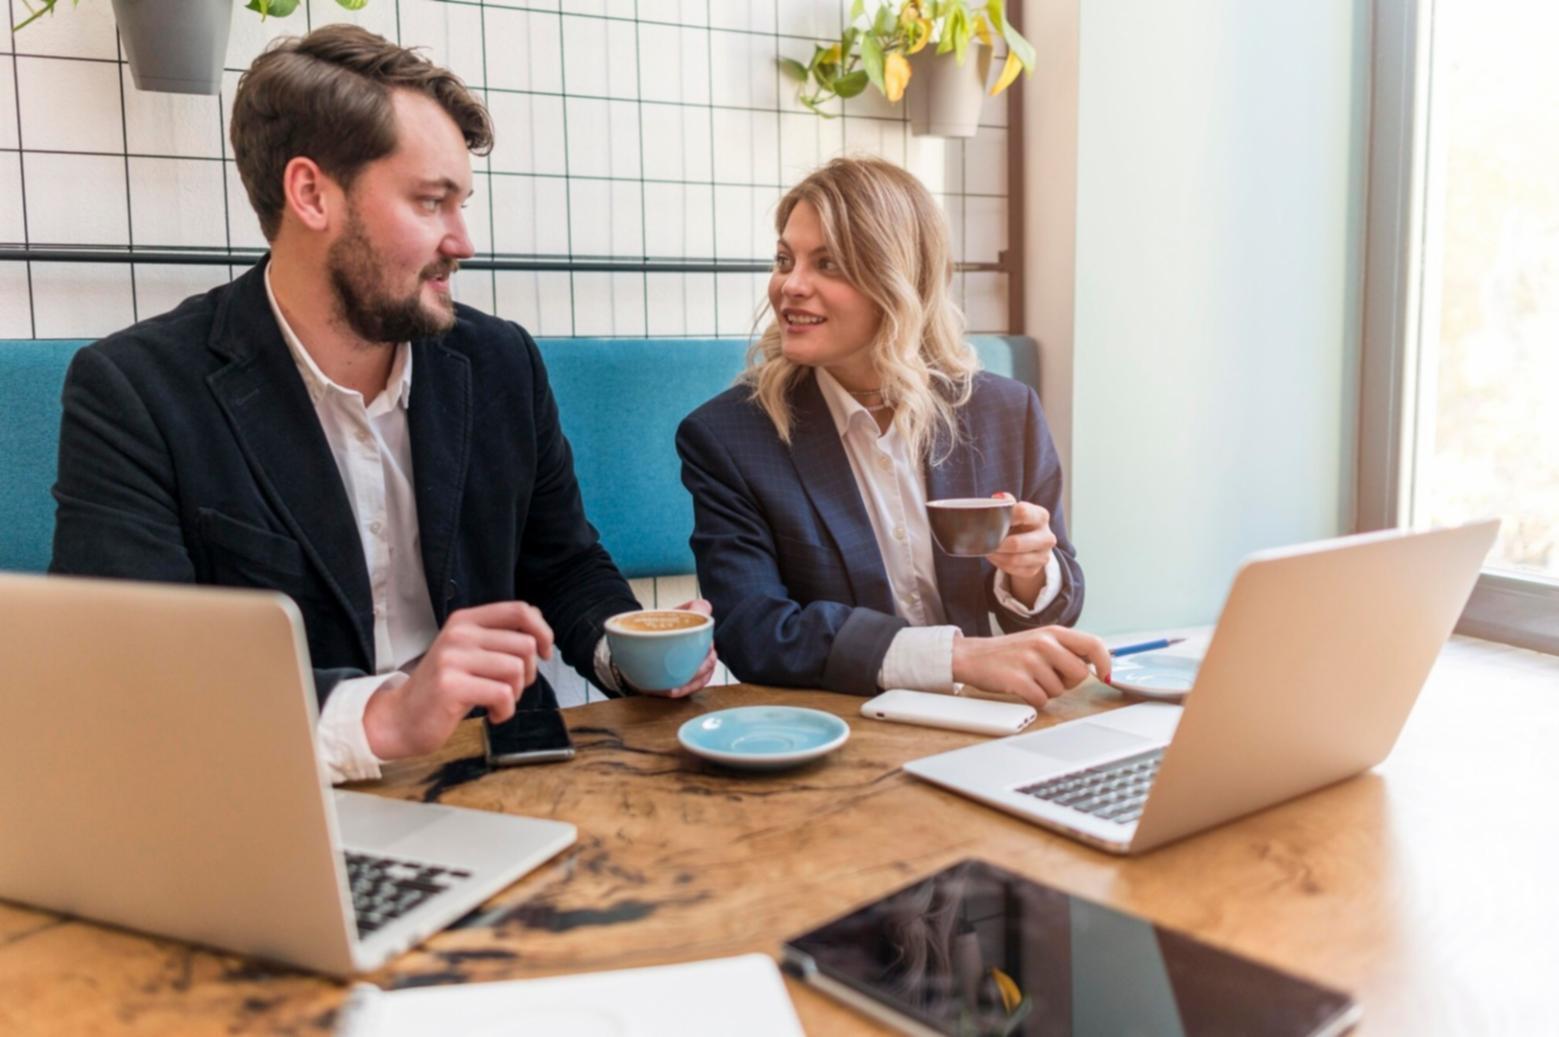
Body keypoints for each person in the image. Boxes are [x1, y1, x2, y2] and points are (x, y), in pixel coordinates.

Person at [49, 25, 714, 784]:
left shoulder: (501, 362)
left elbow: (562, 564)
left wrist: (629, 653)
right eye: (432, 202)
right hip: (273, 791)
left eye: (461, 203)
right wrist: (387, 713)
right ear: (311, 194)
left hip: (503, 773)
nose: (463, 240)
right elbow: (134, 671)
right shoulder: (135, 390)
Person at [676, 157, 1109, 706]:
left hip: (988, 717)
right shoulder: (728, 437)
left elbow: (1059, 604)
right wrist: (958, 656)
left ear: (900, 281)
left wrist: (1030, 571)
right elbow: (756, 632)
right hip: (842, 727)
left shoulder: (1005, 411)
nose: (790, 285)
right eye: (785, 260)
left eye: (827, 263)